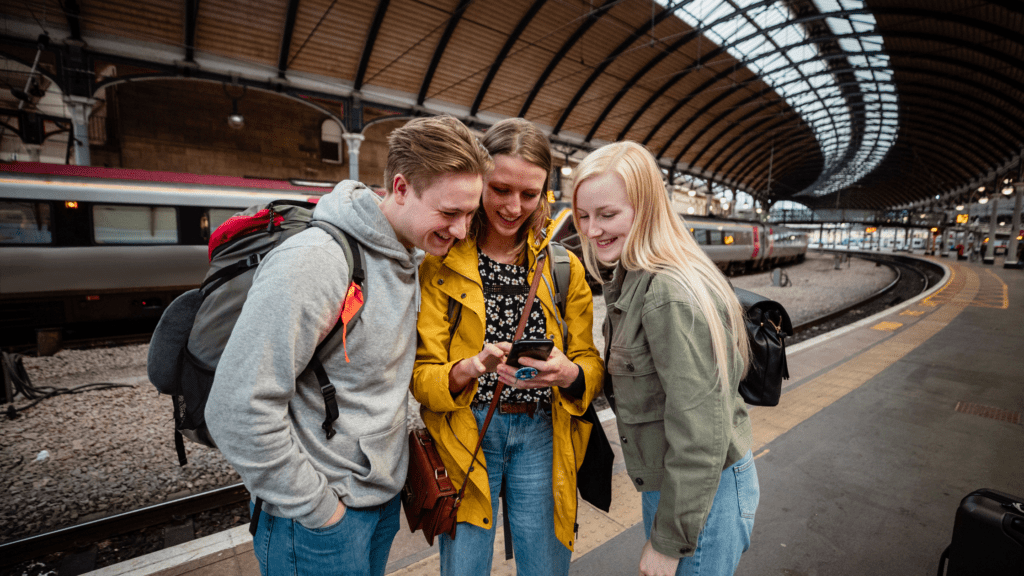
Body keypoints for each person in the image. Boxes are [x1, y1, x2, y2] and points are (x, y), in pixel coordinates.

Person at [204, 115, 492, 576]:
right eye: (449, 213)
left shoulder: (410, 256)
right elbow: (236, 406)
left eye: (470, 214)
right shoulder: (316, 261)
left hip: (376, 506)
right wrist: (321, 511)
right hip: (318, 521)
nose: (461, 230)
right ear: (400, 188)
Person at [411, 118, 603, 576]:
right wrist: (470, 368)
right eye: (499, 189)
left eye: (529, 194)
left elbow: (589, 363)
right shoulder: (440, 264)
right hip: (465, 432)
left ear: (544, 194)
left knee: (545, 566)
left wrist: (569, 374)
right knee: (465, 567)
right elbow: (422, 376)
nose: (514, 206)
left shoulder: (563, 268)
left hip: (542, 432)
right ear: (480, 180)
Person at [571, 141, 759, 576]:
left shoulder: (666, 293)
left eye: (607, 214)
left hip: (700, 498)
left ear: (645, 207)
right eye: (584, 216)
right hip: (681, 488)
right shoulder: (633, 278)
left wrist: (669, 542)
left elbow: (700, 432)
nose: (592, 229)